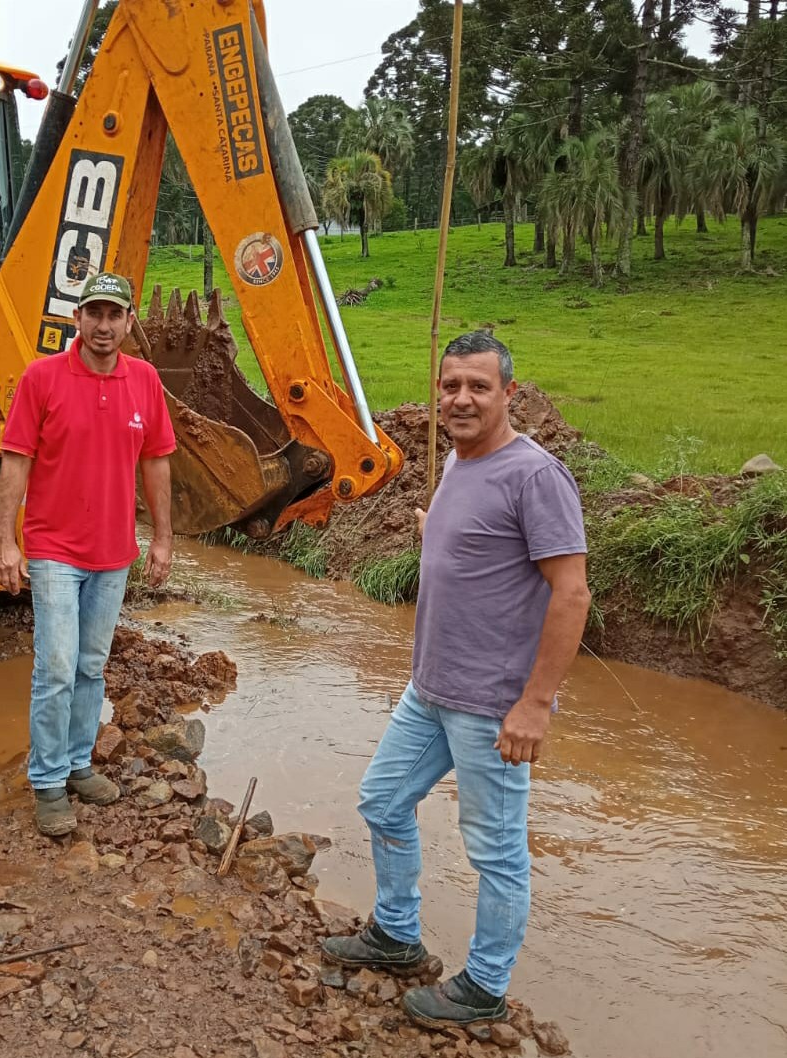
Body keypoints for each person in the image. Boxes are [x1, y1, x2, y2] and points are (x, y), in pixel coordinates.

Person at [321, 331, 591, 1028]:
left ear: (509, 394)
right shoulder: (456, 463)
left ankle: (485, 987)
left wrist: (535, 704)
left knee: (495, 849)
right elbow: (477, 550)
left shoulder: (535, 476)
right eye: (450, 386)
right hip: (430, 689)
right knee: (382, 801)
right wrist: (433, 533)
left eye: (478, 386)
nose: (461, 398)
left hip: (491, 702)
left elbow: (571, 593)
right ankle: (397, 935)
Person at [0, 272, 175, 837]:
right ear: (78, 319)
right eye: (93, 313)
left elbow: (157, 462)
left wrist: (163, 538)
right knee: (54, 667)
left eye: (114, 315)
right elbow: (16, 461)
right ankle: (47, 783)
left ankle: (77, 764)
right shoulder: (42, 377)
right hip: (53, 549)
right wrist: (6, 540)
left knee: (91, 665)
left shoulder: (144, 380)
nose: (103, 325)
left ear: (128, 322)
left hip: (115, 553)